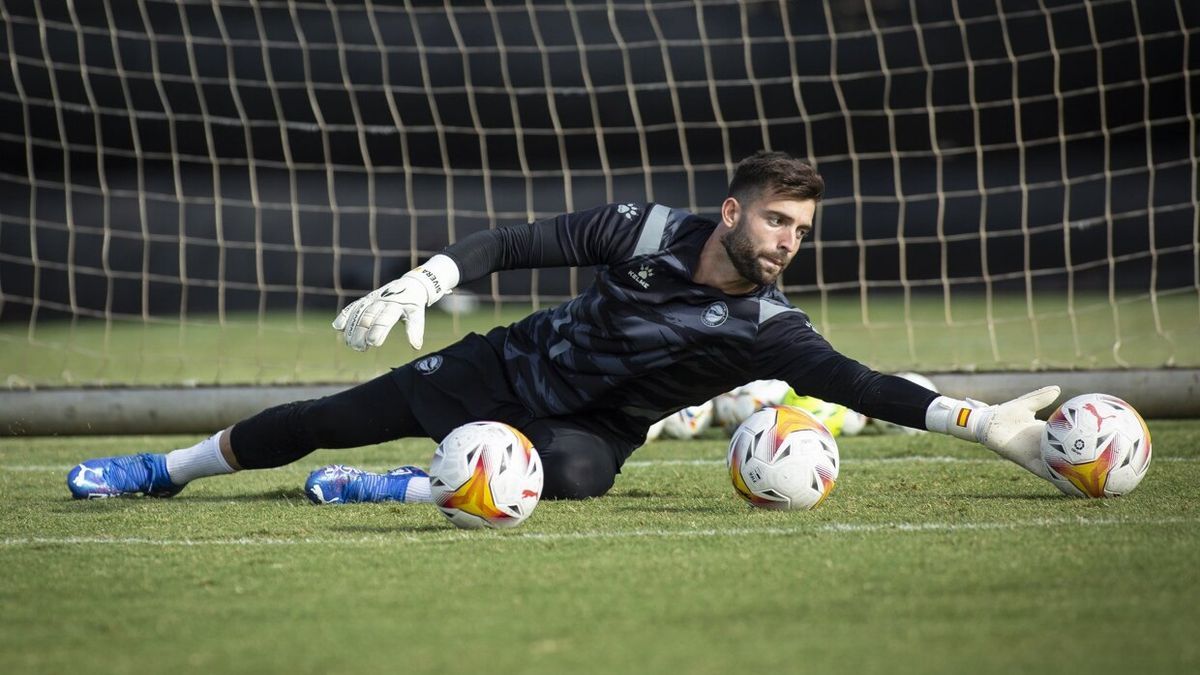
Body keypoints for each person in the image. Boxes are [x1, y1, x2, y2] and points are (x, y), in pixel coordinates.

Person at [66, 151, 1060, 504]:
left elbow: (860, 383)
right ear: (731, 212)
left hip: (593, 426)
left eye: (802, 230)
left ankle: (414, 487)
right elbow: (513, 240)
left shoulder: (767, 327)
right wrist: (426, 277)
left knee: (568, 483)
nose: (789, 242)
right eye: (777, 222)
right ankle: (166, 470)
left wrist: (979, 425)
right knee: (322, 417)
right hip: (503, 365)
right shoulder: (640, 228)